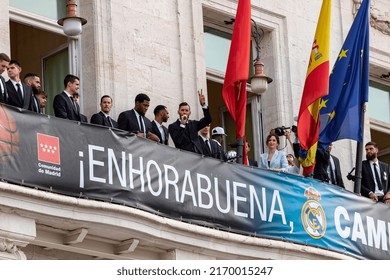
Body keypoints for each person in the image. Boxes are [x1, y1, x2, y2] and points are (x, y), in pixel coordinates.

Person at [168, 89, 212, 153]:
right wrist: (182, 124)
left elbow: (208, 120)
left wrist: (203, 105)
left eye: (186, 110)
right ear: (178, 112)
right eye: (182, 110)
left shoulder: (194, 124)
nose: (184, 112)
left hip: (198, 156)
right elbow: (178, 141)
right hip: (185, 157)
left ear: (189, 113)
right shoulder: (172, 126)